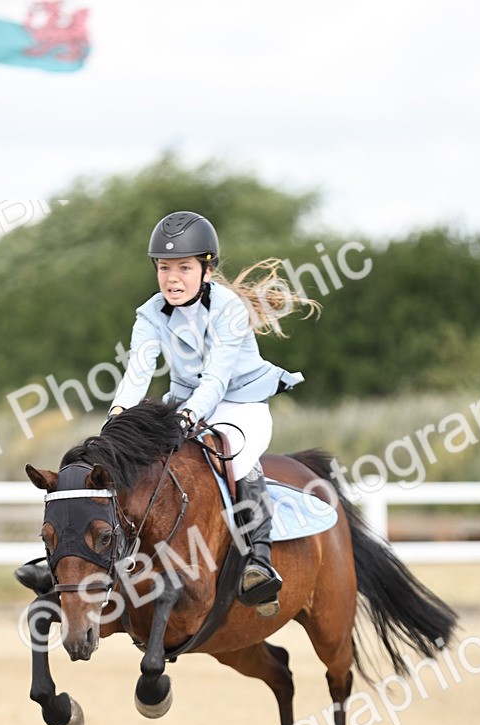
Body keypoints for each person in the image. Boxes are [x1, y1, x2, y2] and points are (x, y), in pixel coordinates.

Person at [104, 210, 320, 616]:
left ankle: (258, 559)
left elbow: (216, 381)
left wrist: (188, 418)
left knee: (233, 456)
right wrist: (115, 421)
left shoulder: (230, 309)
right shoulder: (149, 314)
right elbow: (137, 372)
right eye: (164, 267)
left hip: (241, 405)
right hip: (184, 401)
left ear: (206, 269)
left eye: (184, 267)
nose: (172, 278)